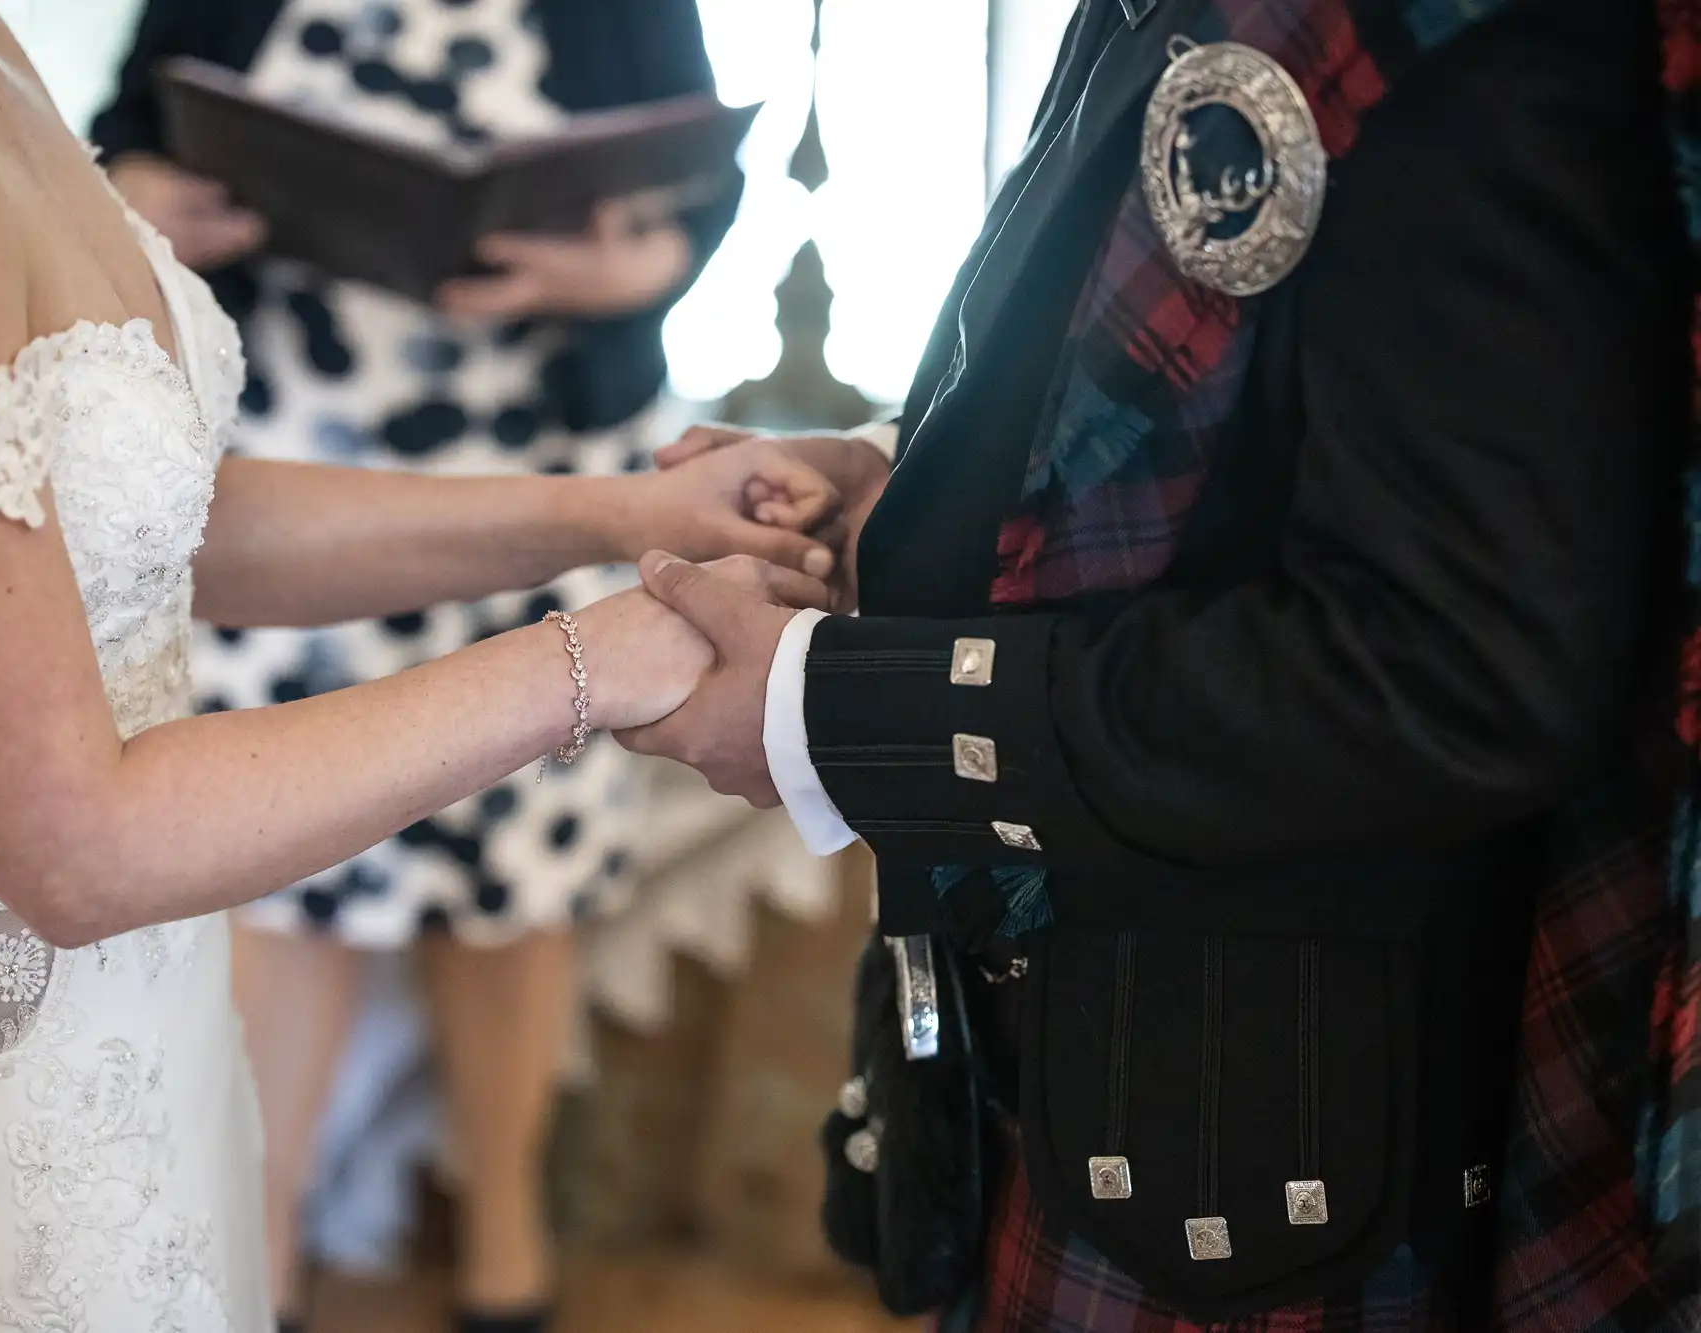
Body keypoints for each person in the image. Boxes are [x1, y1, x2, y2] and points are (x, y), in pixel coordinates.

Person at [0, 1, 843, 1329]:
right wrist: (597, 656)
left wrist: (620, 517)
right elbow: (75, 850)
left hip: (154, 1051)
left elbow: (170, 518)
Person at [628, 0, 1701, 1327]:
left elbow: (1466, 670)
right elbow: (1213, 420)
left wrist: (838, 716)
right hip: (1092, 1034)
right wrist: (916, 495)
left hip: (1275, 1139)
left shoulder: (1444, 41)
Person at [84, 5, 795, 1330]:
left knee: (511, 887)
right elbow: (131, 133)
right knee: (283, 876)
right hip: (279, 488)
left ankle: (505, 1265)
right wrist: (138, 200)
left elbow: (699, 188)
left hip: (541, 472)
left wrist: (631, 272)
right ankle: (267, 1260)